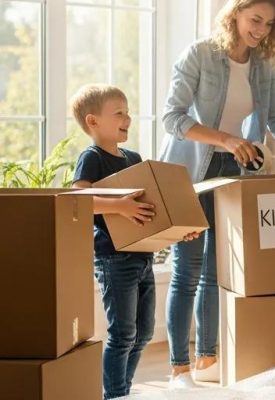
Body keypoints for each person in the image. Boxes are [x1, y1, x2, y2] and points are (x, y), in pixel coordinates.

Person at [160, 0, 275, 388]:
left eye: (269, 24)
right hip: (190, 173)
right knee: (186, 270)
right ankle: (178, 369)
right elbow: (173, 118)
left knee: (214, 272)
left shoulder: (262, 67)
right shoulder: (200, 54)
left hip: (234, 170)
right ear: (234, 14)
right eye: (255, 19)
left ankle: (207, 359)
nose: (260, 29)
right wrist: (226, 139)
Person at [70, 84, 199, 399]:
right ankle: (115, 395)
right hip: (114, 258)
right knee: (123, 333)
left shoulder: (133, 158)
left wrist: (180, 230)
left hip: (142, 257)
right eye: (119, 113)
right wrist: (119, 207)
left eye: (127, 111)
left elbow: (150, 210)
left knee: (141, 333)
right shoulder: (91, 158)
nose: (127, 118)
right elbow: (78, 199)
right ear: (93, 121)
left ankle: (121, 391)